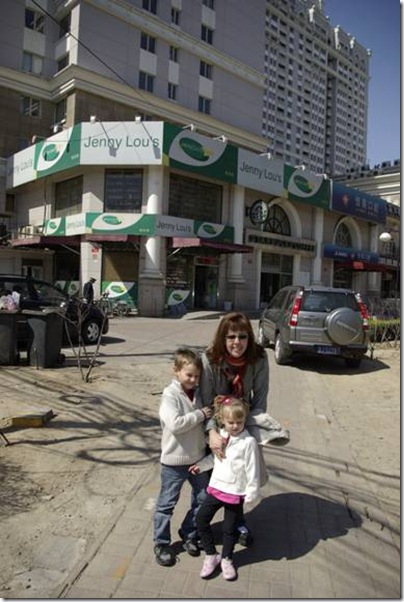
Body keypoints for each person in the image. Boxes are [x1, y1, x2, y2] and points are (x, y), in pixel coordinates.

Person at [199, 311, 290, 547]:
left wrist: (247, 433)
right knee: (210, 479)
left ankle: (237, 523)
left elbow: (259, 400)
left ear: (250, 338)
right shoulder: (209, 359)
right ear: (223, 338)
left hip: (242, 420)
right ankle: (197, 527)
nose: (237, 342)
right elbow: (206, 402)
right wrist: (212, 434)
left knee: (240, 473)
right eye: (231, 337)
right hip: (214, 421)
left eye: (242, 337)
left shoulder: (258, 358)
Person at [153, 347, 213, 567]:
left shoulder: (198, 393)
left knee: (203, 499)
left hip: (197, 459)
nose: (193, 380)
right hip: (173, 462)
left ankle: (189, 532)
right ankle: (161, 543)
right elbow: (176, 425)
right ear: (176, 371)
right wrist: (200, 414)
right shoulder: (170, 395)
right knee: (166, 505)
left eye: (197, 376)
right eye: (189, 375)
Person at [191, 395, 261, 581]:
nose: (235, 426)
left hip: (235, 492)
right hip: (217, 487)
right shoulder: (221, 436)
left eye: (239, 422)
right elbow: (216, 458)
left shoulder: (248, 442)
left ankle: (227, 559)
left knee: (229, 529)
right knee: (201, 519)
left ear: (244, 420)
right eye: (231, 422)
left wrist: (252, 492)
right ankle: (211, 555)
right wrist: (200, 466)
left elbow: (253, 469)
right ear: (222, 420)